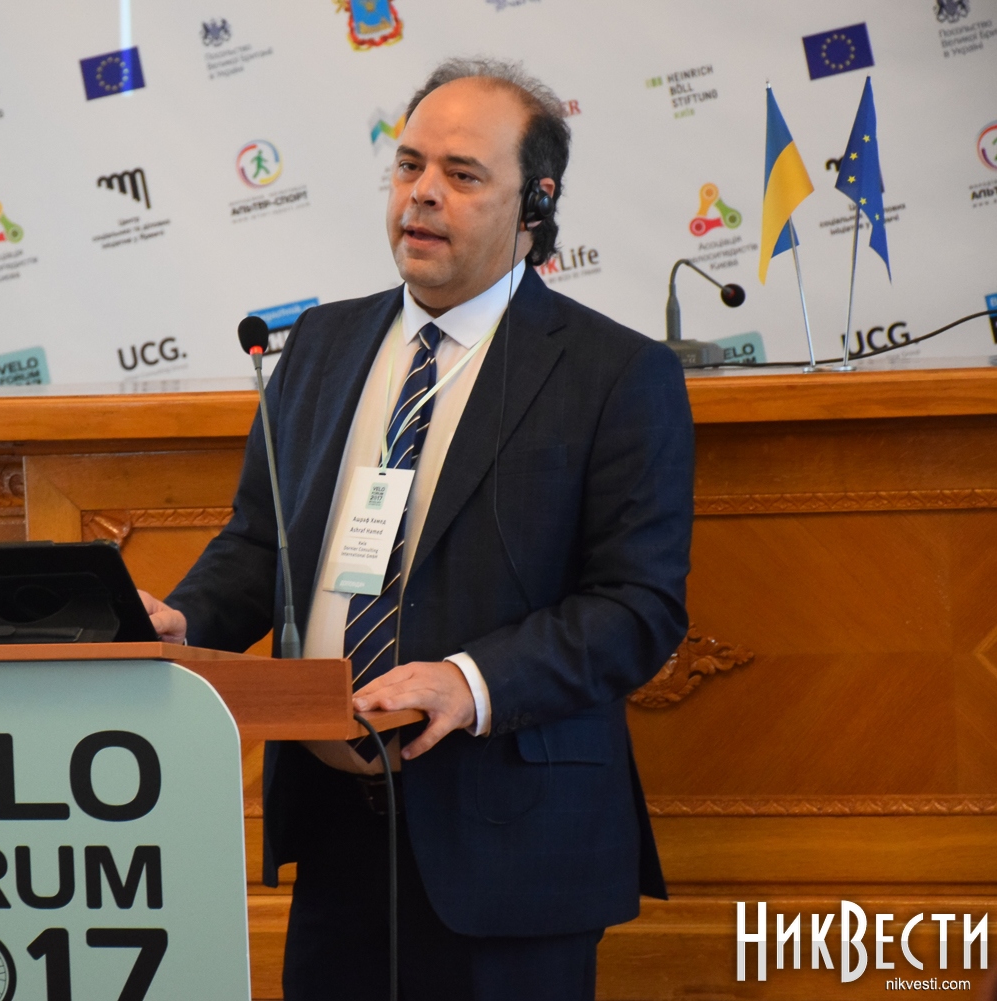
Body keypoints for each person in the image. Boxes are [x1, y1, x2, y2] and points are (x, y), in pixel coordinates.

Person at [141, 57, 693, 1000]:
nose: (423, 194)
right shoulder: (319, 346)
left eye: (462, 174)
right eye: (408, 166)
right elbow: (264, 543)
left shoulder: (615, 372)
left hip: (510, 840)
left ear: (536, 204)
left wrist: (468, 681)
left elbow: (637, 606)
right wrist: (186, 621)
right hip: (333, 829)